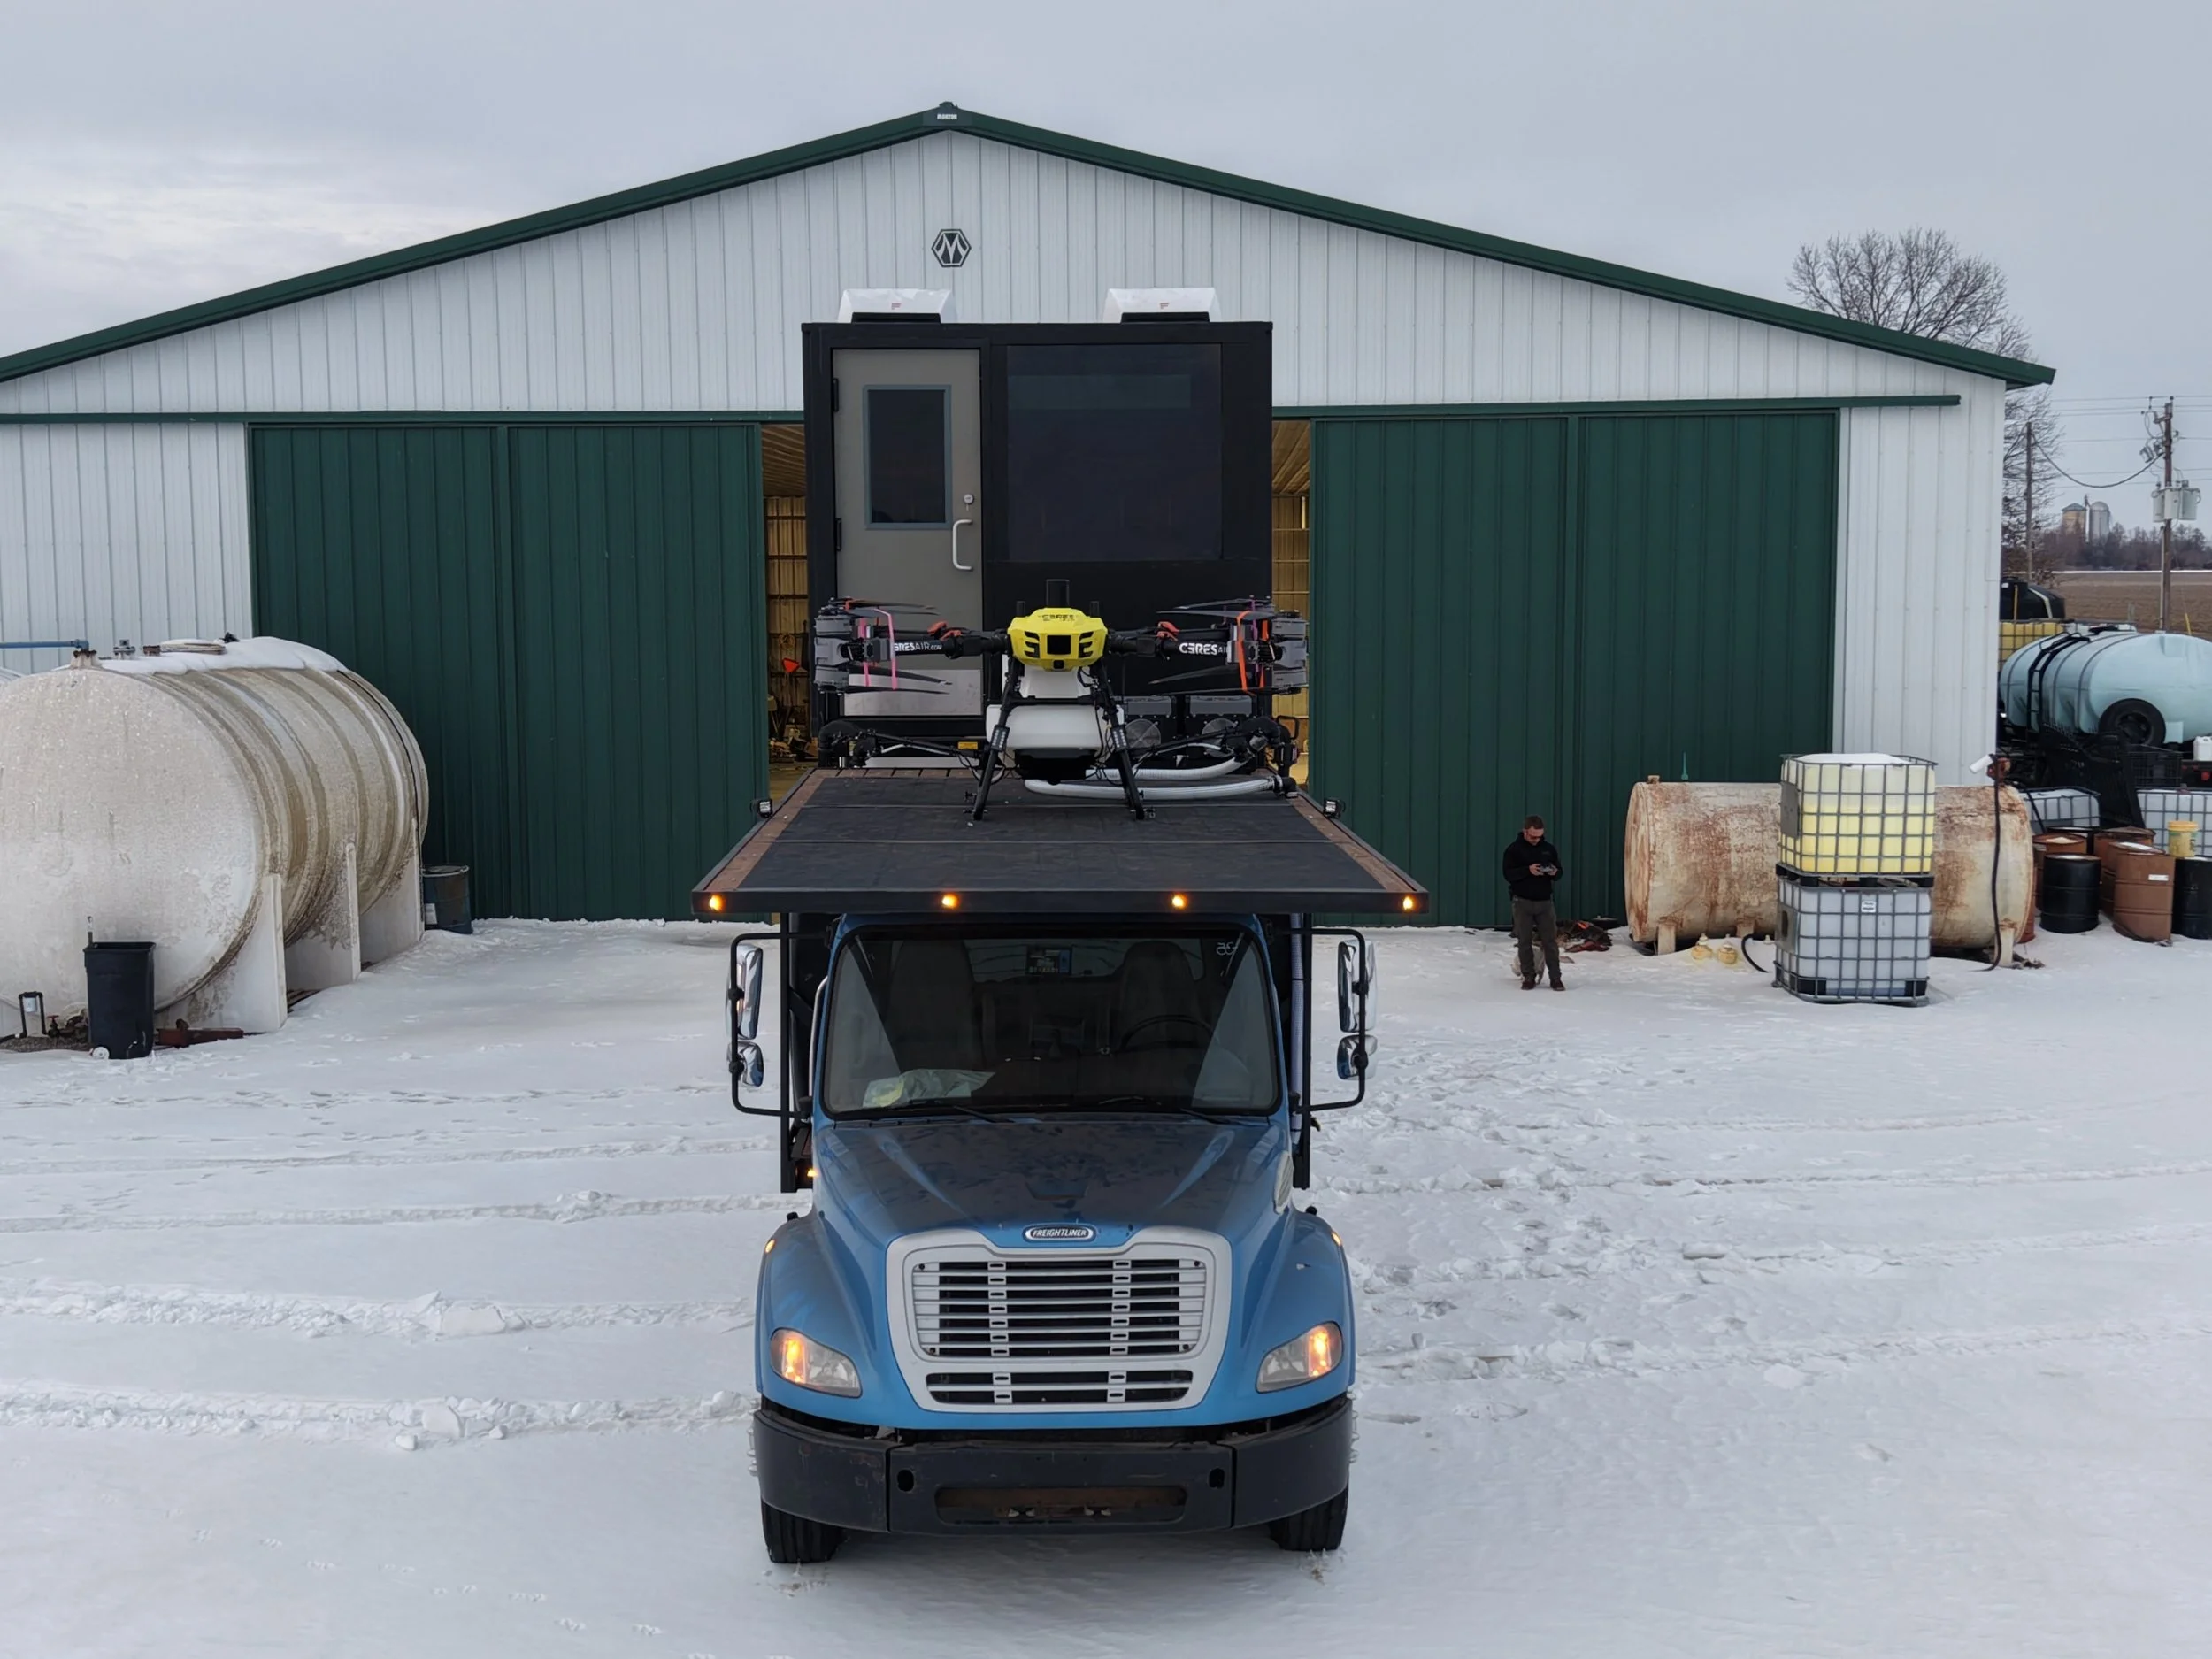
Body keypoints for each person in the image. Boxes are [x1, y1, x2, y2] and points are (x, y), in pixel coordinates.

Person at [1502, 816, 1564, 991]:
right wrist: (1527, 871)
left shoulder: (1548, 849)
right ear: (1525, 831)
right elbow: (1508, 874)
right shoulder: (1513, 850)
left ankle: (1555, 977)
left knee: (1550, 941)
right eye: (1532, 837)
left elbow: (1560, 873)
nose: (1536, 840)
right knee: (1524, 941)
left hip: (1545, 901)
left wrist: (1553, 872)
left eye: (1539, 837)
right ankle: (1528, 975)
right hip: (1522, 901)